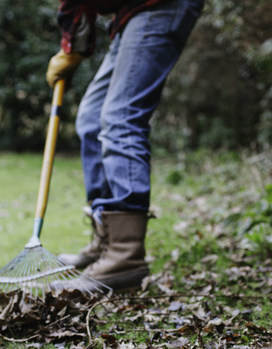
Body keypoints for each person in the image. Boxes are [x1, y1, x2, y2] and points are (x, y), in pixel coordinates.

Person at [46, 0, 204, 292]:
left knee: (121, 117)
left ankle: (124, 255)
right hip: (130, 13)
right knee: (91, 120)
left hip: (159, 5)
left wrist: (71, 47)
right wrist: (72, 48)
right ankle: (105, 240)